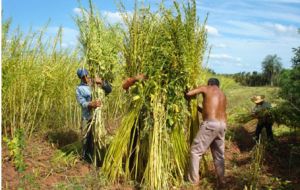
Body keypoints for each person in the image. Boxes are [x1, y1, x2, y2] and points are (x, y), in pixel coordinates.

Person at [185, 78, 227, 186]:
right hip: (222, 125)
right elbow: (211, 110)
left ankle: (193, 182)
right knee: (219, 155)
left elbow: (189, 94)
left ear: (209, 84)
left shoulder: (206, 88)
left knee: (195, 151)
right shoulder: (222, 95)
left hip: (210, 125)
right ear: (218, 85)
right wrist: (198, 108)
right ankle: (222, 181)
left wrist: (186, 92)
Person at [75, 68, 112, 163]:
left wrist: (102, 83)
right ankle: (85, 158)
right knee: (86, 137)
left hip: (99, 116)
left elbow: (109, 90)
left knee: (98, 136)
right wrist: (91, 104)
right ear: (80, 78)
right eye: (83, 77)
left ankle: (99, 158)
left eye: (86, 75)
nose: (86, 78)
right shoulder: (79, 89)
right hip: (87, 117)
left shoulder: (96, 82)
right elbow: (82, 103)